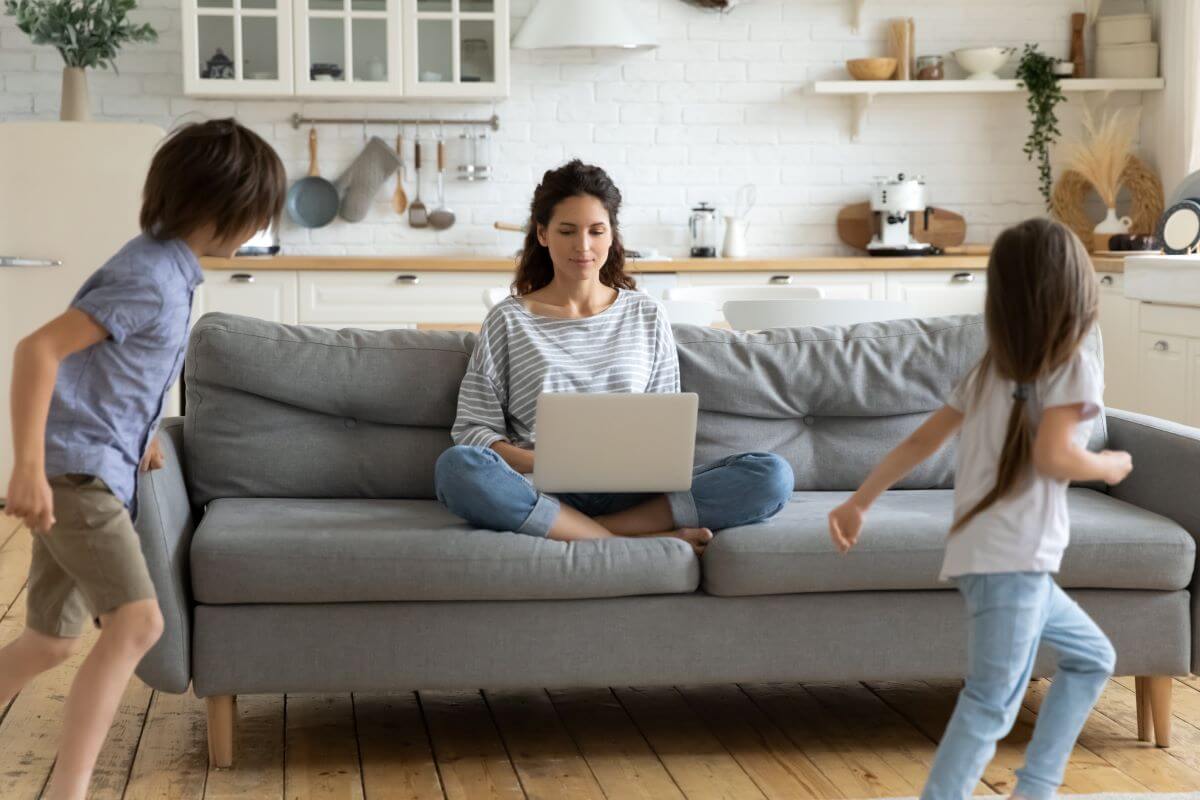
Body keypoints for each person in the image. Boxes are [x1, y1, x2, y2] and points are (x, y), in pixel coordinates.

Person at [1, 118, 285, 800]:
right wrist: (27, 467)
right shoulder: (150, 276)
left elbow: (118, 368)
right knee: (139, 623)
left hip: (99, 463)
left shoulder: (165, 268)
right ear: (223, 209)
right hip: (77, 476)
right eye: (254, 215)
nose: (255, 229)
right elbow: (37, 351)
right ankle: (68, 791)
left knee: (50, 640)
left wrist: (140, 434)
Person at [827, 218, 1131, 800]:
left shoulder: (993, 368)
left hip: (991, 557)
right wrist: (1108, 466)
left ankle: (1036, 788)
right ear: (1076, 288)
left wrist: (858, 503)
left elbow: (921, 442)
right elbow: (1056, 454)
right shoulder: (1070, 363)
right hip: (1013, 562)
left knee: (1093, 658)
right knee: (991, 701)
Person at [436, 160, 793, 553]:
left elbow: (663, 426)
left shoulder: (646, 313)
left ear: (612, 236)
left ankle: (592, 530)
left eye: (596, 230)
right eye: (567, 231)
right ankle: (622, 539)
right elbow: (472, 430)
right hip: (543, 488)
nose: (583, 246)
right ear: (542, 234)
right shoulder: (508, 319)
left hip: (634, 492)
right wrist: (547, 462)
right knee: (456, 468)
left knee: (771, 474)